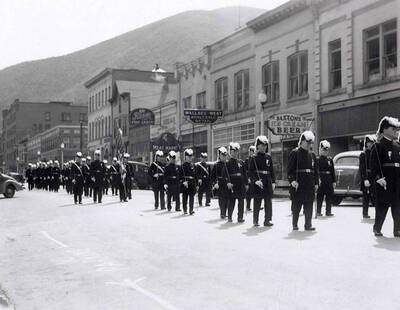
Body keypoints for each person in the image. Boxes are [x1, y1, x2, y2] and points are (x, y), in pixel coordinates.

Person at [370, 116, 400, 237]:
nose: (396, 130)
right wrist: (378, 178)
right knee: (382, 206)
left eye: (396, 129)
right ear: (384, 129)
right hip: (385, 180)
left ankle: (397, 229)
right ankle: (377, 228)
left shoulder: (398, 145)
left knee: (397, 206)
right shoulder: (378, 146)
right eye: (393, 128)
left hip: (397, 180)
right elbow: (374, 165)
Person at [287, 131, 319, 231]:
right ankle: (295, 224)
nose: (309, 144)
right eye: (307, 142)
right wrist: (292, 181)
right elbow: (289, 170)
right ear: (301, 141)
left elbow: (315, 171)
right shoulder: (295, 153)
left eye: (311, 142)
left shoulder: (312, 155)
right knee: (297, 204)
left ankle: (308, 225)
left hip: (309, 182)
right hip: (299, 182)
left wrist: (316, 182)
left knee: (309, 204)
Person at [248, 136, 275, 227]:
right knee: (257, 201)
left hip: (267, 180)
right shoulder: (253, 158)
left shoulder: (268, 157)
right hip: (258, 181)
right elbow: (250, 172)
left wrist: (273, 182)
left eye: (265, 145)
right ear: (257, 146)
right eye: (262, 145)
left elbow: (272, 170)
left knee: (268, 201)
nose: (264, 147)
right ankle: (255, 220)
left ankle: (267, 220)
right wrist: (255, 181)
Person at [223, 142, 248, 223]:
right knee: (232, 201)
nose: (235, 153)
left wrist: (246, 183)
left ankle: (240, 217)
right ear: (230, 152)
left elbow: (245, 174)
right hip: (233, 183)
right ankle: (229, 216)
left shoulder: (241, 162)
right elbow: (225, 175)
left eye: (236, 151)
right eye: (233, 151)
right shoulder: (227, 163)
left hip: (240, 184)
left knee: (241, 201)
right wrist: (227, 183)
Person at [316, 140, 336, 217]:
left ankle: (328, 211)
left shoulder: (330, 159)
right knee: (320, 196)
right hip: (321, 179)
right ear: (320, 149)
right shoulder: (317, 159)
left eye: (326, 150)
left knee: (329, 196)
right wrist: (318, 179)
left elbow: (332, 171)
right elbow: (316, 170)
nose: (325, 151)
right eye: (324, 150)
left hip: (329, 179)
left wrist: (334, 181)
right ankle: (318, 211)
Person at [359, 135, 376, 219]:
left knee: (375, 196)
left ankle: (378, 213)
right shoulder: (363, 154)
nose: (371, 144)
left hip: (373, 177)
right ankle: (365, 213)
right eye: (369, 143)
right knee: (366, 197)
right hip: (366, 176)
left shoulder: (374, 152)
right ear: (366, 144)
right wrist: (365, 178)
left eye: (372, 142)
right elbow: (362, 168)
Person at [211, 147, 229, 219]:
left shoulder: (228, 164)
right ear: (219, 156)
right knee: (222, 199)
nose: (224, 157)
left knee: (227, 199)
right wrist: (215, 183)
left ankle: (225, 212)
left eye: (225, 155)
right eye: (222, 155)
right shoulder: (216, 165)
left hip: (227, 183)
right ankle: (222, 213)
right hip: (220, 184)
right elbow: (212, 176)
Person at [179, 148, 197, 215]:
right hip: (185, 184)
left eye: (191, 156)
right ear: (185, 157)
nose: (190, 158)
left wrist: (197, 184)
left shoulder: (193, 165)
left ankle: (191, 209)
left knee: (192, 197)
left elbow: (195, 175)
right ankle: (185, 209)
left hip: (192, 183)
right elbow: (179, 176)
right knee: (185, 197)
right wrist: (183, 181)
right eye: (188, 157)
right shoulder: (182, 166)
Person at [244, 146, 256, 211]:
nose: (251, 153)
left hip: (255, 178)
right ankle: (248, 206)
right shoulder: (247, 160)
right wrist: (247, 178)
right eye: (250, 152)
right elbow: (245, 170)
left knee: (256, 193)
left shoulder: (255, 159)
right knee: (248, 193)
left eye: (252, 151)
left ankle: (257, 206)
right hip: (249, 178)